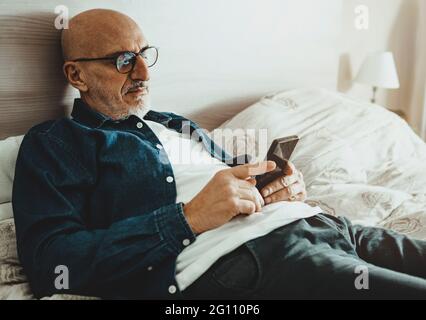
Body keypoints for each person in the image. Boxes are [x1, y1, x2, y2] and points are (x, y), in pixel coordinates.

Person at [12, 9, 426, 299]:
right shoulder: (55, 144)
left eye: (144, 54)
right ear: (76, 74)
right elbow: (54, 264)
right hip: (249, 257)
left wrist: (275, 188)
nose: (144, 73)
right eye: (123, 61)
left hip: (327, 226)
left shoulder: (176, 123)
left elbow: (232, 187)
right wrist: (187, 218)